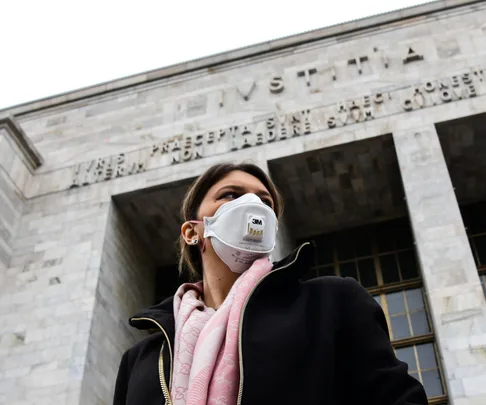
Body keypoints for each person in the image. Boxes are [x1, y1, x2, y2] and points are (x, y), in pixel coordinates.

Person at [113, 162, 428, 405]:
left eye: (265, 202)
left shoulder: (331, 302)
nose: (253, 205)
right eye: (231, 195)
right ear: (192, 231)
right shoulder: (141, 358)